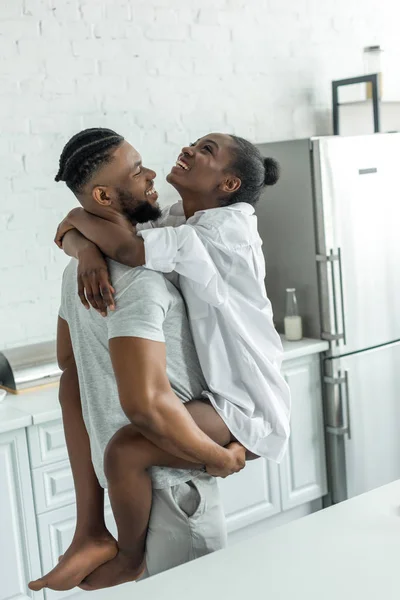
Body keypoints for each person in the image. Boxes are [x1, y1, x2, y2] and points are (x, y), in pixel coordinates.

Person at [52, 128, 292, 590]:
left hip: (246, 400)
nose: (185, 151)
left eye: (206, 151)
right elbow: (78, 225)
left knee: (124, 450)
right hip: (219, 399)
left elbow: (122, 245)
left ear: (228, 186)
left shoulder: (225, 231)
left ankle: (126, 555)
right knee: (125, 451)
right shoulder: (184, 219)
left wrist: (84, 246)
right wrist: (82, 246)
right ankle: (108, 543)